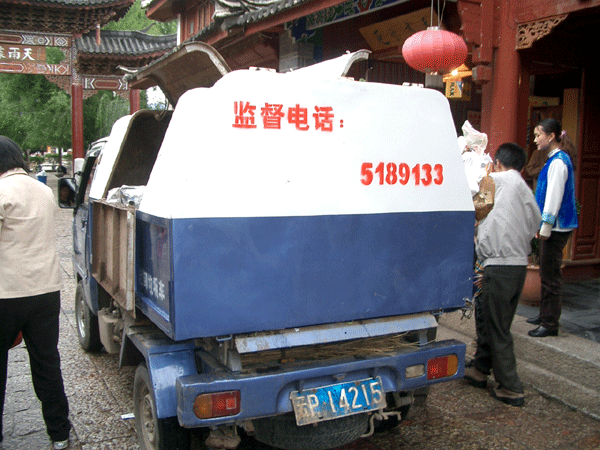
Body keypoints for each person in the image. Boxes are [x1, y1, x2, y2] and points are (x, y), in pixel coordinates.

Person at [0, 136, 71, 449]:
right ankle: (59, 434)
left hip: (7, 293)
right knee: (46, 364)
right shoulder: (44, 190)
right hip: (45, 292)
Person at [464, 143, 541, 407]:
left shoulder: (492, 180)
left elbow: (477, 212)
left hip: (497, 264)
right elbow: (535, 222)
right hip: (519, 264)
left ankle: (511, 386)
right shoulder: (524, 188)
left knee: (496, 326)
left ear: (496, 163)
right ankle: (479, 371)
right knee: (495, 318)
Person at [527, 119, 578, 338]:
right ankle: (544, 314)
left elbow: (554, 196)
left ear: (552, 136)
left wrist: (546, 224)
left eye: (539, 135)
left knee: (550, 275)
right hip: (553, 226)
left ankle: (550, 323)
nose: (536, 139)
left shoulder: (558, 162)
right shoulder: (554, 160)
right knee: (547, 272)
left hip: (556, 227)